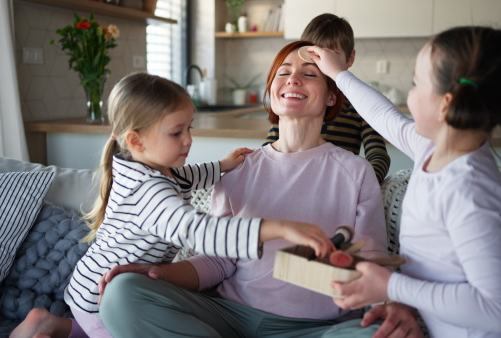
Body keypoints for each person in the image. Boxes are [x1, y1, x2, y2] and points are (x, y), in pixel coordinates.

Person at [97, 41, 422, 337]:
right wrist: (158, 273)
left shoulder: (355, 171)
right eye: (284, 72)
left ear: (332, 95)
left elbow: (374, 258)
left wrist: (393, 303)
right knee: (121, 293)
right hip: (229, 318)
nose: (293, 79)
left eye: (310, 73)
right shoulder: (240, 168)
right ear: (271, 90)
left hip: (319, 329)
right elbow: (217, 262)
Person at [10, 72, 336, 338]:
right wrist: (275, 227)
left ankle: (47, 324)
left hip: (91, 287)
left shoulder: (147, 168)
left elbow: (186, 177)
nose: (188, 140)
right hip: (101, 294)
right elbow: (196, 231)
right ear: (136, 140)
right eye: (176, 132)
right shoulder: (148, 192)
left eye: (189, 128)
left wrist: (221, 166)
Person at [308, 26, 501, 337]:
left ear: (445, 105)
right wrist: (338, 73)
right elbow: (384, 116)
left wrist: (392, 285)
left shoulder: (468, 190)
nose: (409, 94)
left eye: (416, 84)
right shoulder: (434, 149)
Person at [263, 13, 390, 183]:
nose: (321, 63)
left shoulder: (361, 104)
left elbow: (378, 155)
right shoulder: (294, 105)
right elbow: (270, 153)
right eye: (312, 55)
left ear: (350, 58)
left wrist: (359, 184)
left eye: (329, 56)